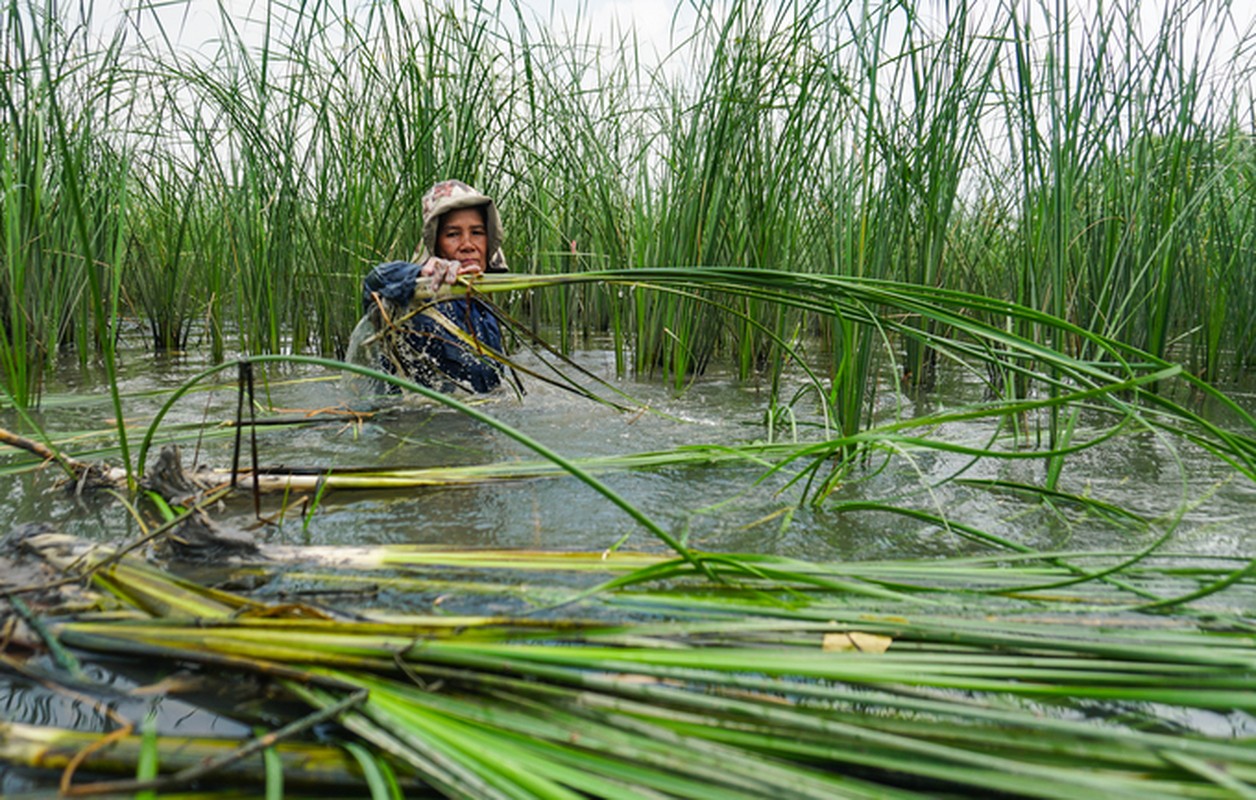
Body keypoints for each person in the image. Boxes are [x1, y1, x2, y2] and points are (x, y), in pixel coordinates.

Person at [354, 180, 510, 395]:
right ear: (435, 244)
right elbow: (375, 282)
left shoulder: (484, 310)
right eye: (453, 234)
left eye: (477, 232)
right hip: (414, 424)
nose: (467, 245)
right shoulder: (415, 301)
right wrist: (419, 274)